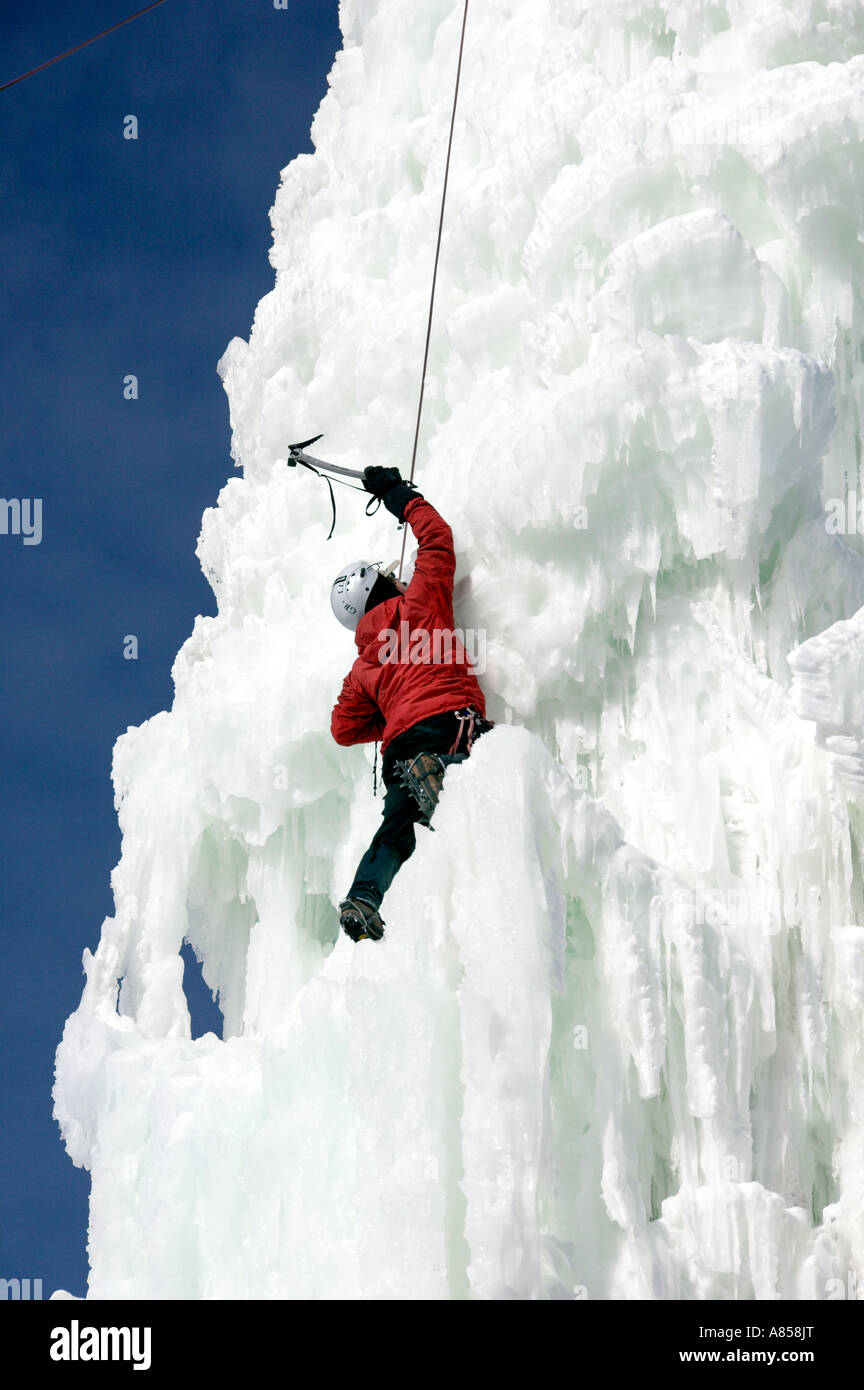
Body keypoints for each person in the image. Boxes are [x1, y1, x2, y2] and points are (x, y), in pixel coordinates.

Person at [330, 465, 492, 942]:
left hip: (399, 748)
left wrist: (393, 717)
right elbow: (436, 540)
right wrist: (397, 495)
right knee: (501, 767)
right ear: (378, 586)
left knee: (398, 828)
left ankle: (364, 898)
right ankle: (435, 762)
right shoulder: (419, 602)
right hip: (449, 721)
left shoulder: (363, 666)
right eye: (385, 575)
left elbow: (342, 727)